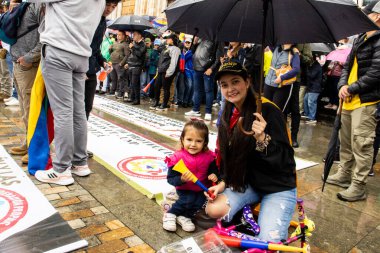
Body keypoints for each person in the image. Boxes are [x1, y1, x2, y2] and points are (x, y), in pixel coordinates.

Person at [205, 62, 297, 242]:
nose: (230, 89)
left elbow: (286, 162)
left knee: (268, 243)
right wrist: (223, 183)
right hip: (250, 184)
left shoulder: (268, 110)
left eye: (235, 82)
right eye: (224, 85)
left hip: (277, 187)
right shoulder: (228, 113)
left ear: (247, 82)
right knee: (212, 209)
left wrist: (263, 139)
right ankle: (245, 218)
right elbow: (228, 158)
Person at [33, 0, 105, 185]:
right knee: (78, 112)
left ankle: (61, 169)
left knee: (63, 112)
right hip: (81, 55)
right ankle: (79, 163)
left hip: (59, 51)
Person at [324, 1, 380, 201]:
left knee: (362, 144)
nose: (364, 17)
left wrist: (352, 88)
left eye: (368, 14)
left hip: (365, 102)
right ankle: (344, 174)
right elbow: (347, 66)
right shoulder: (361, 37)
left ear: (377, 16)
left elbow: (376, 73)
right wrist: (342, 86)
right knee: (345, 141)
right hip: (348, 99)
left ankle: (358, 185)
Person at [163, 120, 219, 232]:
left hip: (201, 188)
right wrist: (181, 179)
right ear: (182, 139)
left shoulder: (209, 157)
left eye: (198, 141)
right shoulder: (177, 157)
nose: (193, 144)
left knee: (199, 202)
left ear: (205, 143)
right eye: (189, 139)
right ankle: (170, 214)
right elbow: (170, 179)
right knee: (188, 199)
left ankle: (185, 217)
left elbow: (213, 170)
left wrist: (214, 175)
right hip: (184, 188)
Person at [9, 0, 44, 165]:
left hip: (28, 64)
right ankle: (28, 142)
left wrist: (29, 58)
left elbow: (46, 36)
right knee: (24, 108)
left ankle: (36, 148)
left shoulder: (40, 4)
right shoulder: (25, 4)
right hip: (19, 62)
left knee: (32, 110)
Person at [84, 0, 119, 120]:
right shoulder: (89, 17)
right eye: (108, 5)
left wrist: (103, 62)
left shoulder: (103, 22)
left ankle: (79, 138)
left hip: (91, 70)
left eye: (113, 6)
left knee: (87, 108)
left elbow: (95, 49)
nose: (109, 9)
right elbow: (81, 45)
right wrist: (80, 68)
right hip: (79, 69)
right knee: (74, 110)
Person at [185, 39, 224, 121]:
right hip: (197, 68)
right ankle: (196, 110)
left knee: (208, 91)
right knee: (197, 90)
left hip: (208, 70)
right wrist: (194, 43)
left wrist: (211, 68)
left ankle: (208, 112)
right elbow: (192, 52)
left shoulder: (217, 40)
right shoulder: (201, 39)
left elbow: (219, 58)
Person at [264, 44, 300, 112]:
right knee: (265, 109)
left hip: (282, 86)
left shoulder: (294, 52)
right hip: (268, 83)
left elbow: (296, 69)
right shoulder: (276, 47)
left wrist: (282, 78)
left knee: (276, 111)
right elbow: (269, 41)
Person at [150, 33, 180, 111]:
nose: (167, 40)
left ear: (172, 40)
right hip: (160, 70)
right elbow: (161, 60)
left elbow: (174, 62)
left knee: (166, 88)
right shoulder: (166, 47)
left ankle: (165, 103)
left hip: (167, 71)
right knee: (156, 86)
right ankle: (156, 101)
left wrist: (169, 72)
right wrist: (158, 69)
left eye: (168, 38)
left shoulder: (176, 49)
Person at [125, 30, 146, 105]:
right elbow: (131, 55)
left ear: (139, 35)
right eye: (133, 34)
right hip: (131, 64)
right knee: (131, 83)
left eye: (135, 35)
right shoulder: (133, 43)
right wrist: (127, 62)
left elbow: (139, 54)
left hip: (137, 66)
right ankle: (132, 97)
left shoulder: (143, 44)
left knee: (135, 83)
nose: (133, 36)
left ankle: (137, 99)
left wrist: (133, 47)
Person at [108, 30, 129, 98]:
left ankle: (121, 92)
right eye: (117, 34)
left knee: (120, 78)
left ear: (123, 36)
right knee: (113, 78)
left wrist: (121, 63)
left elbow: (127, 55)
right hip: (113, 62)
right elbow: (110, 52)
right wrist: (110, 49)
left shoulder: (125, 44)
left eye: (119, 34)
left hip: (119, 63)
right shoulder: (115, 43)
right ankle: (112, 91)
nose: (118, 36)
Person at [303, 54, 323, 125]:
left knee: (311, 103)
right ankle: (308, 115)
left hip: (315, 88)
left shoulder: (316, 66)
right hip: (311, 88)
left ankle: (312, 118)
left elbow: (311, 75)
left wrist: (307, 69)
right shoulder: (313, 65)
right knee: (305, 100)